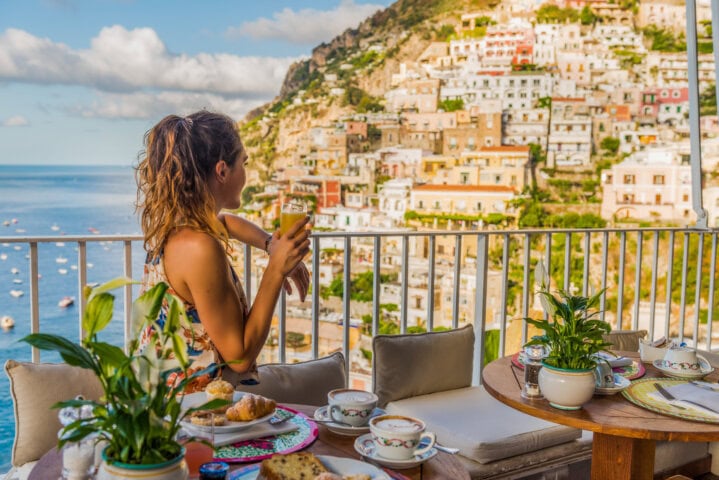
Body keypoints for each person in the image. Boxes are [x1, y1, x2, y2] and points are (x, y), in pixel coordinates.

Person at [135, 110, 311, 392]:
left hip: (168, 407)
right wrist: (277, 269)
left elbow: (226, 223)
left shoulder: (182, 226)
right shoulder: (199, 247)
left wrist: (269, 243)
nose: (246, 173)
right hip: (187, 419)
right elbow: (239, 357)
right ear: (222, 171)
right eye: (244, 163)